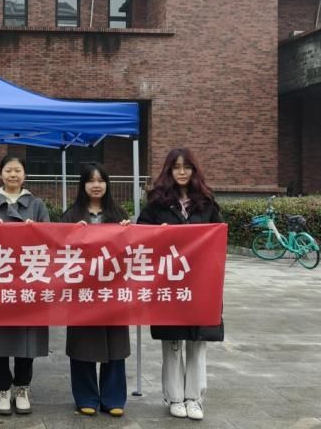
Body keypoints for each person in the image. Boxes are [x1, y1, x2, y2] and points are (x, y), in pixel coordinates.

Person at [137, 147, 224, 421]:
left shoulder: (207, 203)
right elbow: (140, 236)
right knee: (173, 341)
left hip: (200, 283)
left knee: (197, 342)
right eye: (176, 167)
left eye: (187, 167)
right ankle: (174, 397)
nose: (182, 172)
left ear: (194, 170)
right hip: (169, 282)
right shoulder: (157, 204)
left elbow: (219, 238)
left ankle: (194, 398)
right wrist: (157, 234)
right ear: (169, 170)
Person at [0, 155, 49, 416]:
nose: (13, 175)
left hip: (28, 282)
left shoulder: (37, 205)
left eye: (17, 170)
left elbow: (50, 241)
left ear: (24, 175)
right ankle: (3, 388)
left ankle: (23, 387)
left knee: (27, 337)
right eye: (8, 170)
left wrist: (36, 231)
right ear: (0, 174)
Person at [61, 162, 131, 417]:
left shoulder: (119, 214)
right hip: (83, 293)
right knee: (83, 344)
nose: (96, 185)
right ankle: (85, 396)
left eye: (101, 180)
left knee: (115, 345)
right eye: (91, 180)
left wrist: (128, 232)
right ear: (82, 185)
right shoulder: (71, 215)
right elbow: (59, 249)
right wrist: (72, 234)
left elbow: (131, 253)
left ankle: (113, 398)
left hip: (112, 291)